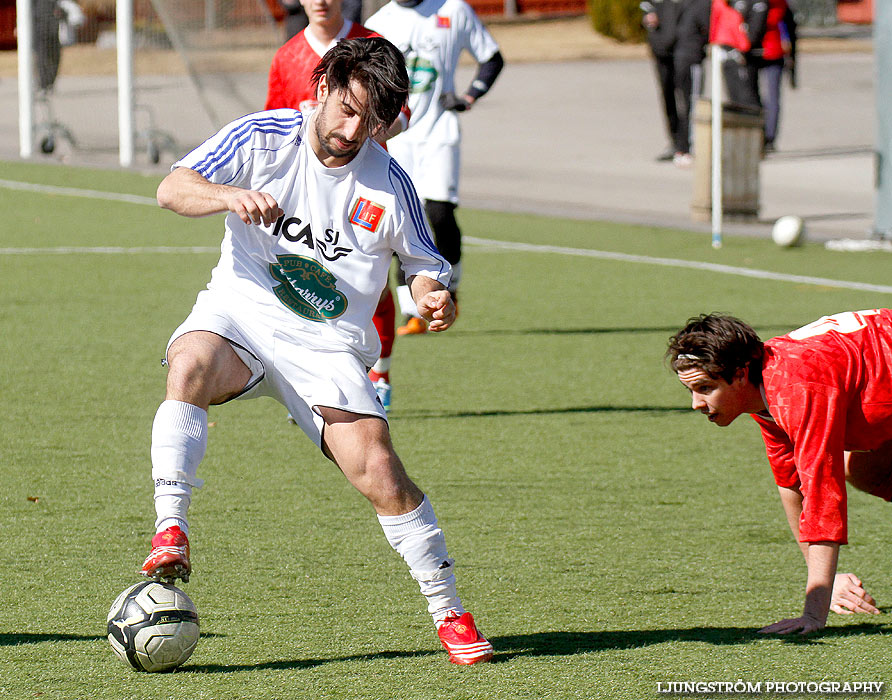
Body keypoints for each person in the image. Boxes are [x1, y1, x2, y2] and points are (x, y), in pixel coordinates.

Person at [141, 37, 493, 665]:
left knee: (381, 474)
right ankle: (171, 528)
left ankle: (450, 612)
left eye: (372, 120)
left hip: (328, 345)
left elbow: (422, 262)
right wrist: (228, 196)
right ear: (322, 86)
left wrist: (431, 293)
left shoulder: (389, 184)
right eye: (347, 109)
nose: (354, 130)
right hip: (242, 314)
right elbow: (173, 189)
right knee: (189, 363)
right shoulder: (262, 138)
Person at [666, 310, 891, 635]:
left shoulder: (798, 386)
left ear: (740, 374)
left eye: (704, 387)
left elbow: (822, 497)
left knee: (854, 469)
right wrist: (828, 582)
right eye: (690, 391)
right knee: (865, 471)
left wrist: (813, 614)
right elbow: (791, 484)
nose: (696, 403)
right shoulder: (766, 389)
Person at [265, 0, 407, 411]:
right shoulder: (287, 56)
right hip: (307, 189)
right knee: (308, 277)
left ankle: (379, 373)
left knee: (371, 279)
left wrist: (366, 130)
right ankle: (315, 377)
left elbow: (404, 114)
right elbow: (275, 121)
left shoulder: (374, 45)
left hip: (362, 184)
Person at [365, 0, 504, 335]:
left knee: (440, 214)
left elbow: (492, 58)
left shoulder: (453, 10)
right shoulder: (379, 22)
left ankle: (450, 288)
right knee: (398, 220)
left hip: (440, 133)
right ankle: (413, 310)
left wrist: (470, 96)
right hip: (395, 138)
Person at [757, 0, 796, 152]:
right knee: (772, 96)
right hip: (774, 50)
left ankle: (764, 133)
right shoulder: (781, 4)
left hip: (761, 49)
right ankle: (769, 137)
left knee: (760, 96)